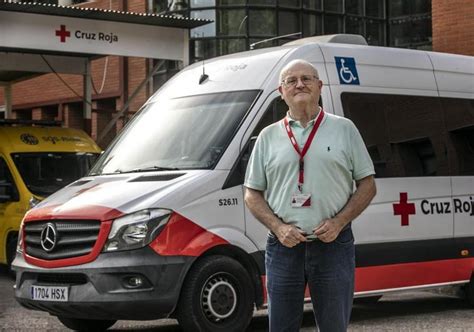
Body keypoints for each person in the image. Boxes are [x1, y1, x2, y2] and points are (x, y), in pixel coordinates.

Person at [244, 59, 376, 332]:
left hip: (334, 245)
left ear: (320, 86)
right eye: (291, 80)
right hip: (284, 248)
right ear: (281, 91)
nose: (299, 84)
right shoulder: (267, 137)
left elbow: (367, 185)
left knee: (333, 327)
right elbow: (251, 193)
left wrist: (339, 222)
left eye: (306, 78)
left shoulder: (345, 129)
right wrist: (278, 228)